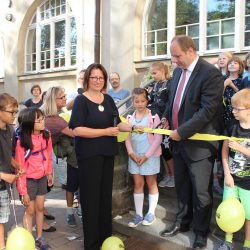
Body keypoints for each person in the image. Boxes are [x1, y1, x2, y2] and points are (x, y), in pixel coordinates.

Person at [159, 35, 224, 249]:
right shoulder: (178, 72)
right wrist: (167, 118)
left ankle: (201, 232)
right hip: (179, 143)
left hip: (199, 147)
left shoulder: (210, 74)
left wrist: (181, 131)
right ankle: (182, 222)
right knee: (183, 187)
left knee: (201, 192)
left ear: (191, 50)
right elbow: (173, 100)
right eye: (173, 56)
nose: (174, 61)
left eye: (177, 56)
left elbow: (207, 111)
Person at [69, 63, 132, 250]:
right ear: (87, 79)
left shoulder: (109, 99)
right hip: (89, 157)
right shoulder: (81, 101)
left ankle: (105, 240)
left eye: (101, 77)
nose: (97, 80)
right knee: (90, 200)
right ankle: (92, 244)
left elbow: (117, 122)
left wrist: (133, 126)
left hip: (107, 154)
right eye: (94, 77)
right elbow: (77, 129)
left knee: (105, 200)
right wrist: (104, 131)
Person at [15, 108, 53, 250]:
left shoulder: (47, 136)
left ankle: (39, 237)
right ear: (30, 123)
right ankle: (27, 240)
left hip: (42, 178)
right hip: (28, 180)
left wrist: (49, 173)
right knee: (29, 210)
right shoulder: (22, 142)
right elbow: (19, 168)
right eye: (39, 120)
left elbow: (48, 156)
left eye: (43, 118)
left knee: (40, 208)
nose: (43, 122)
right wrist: (23, 191)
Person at [41, 87, 79, 227]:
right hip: (39, 156)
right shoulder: (56, 120)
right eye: (62, 97)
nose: (65, 98)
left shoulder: (47, 114)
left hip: (42, 153)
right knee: (39, 188)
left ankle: (42, 211)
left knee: (43, 187)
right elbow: (76, 133)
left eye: (65, 96)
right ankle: (40, 223)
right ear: (53, 100)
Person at [218, 88, 250, 250]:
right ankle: (228, 241)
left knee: (249, 215)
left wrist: (240, 148)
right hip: (232, 179)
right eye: (232, 108)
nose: (234, 111)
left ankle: (247, 243)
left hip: (248, 183)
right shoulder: (231, 127)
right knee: (227, 210)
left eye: (238, 108)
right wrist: (227, 174)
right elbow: (224, 151)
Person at [125, 88, 162, 227]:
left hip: (150, 156)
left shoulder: (153, 116)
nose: (140, 104)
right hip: (134, 156)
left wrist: (146, 156)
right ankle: (139, 214)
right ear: (133, 102)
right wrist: (131, 153)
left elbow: (158, 138)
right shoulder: (129, 118)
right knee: (138, 184)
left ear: (147, 100)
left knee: (151, 184)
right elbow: (126, 137)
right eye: (137, 101)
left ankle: (151, 213)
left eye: (143, 100)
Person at [0, 93, 24, 249]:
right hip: (2, 178)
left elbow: (6, 154)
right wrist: (3, 175)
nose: (15, 115)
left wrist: (16, 164)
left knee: (2, 218)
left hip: (4, 183)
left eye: (16, 112)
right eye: (12, 112)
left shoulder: (9, 130)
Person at [147, 61, 175, 188]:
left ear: (163, 71)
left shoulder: (170, 84)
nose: (153, 76)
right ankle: (167, 174)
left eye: (155, 73)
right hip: (154, 120)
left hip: (165, 120)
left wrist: (165, 118)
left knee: (166, 148)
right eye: (151, 74)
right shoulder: (154, 85)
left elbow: (170, 103)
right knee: (160, 149)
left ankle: (173, 175)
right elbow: (151, 102)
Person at [223, 56, 244, 127]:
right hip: (223, 108)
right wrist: (224, 85)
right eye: (230, 63)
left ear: (240, 67)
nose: (232, 64)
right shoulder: (222, 78)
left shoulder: (242, 80)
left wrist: (232, 85)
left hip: (236, 110)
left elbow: (243, 95)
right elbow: (217, 94)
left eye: (235, 63)